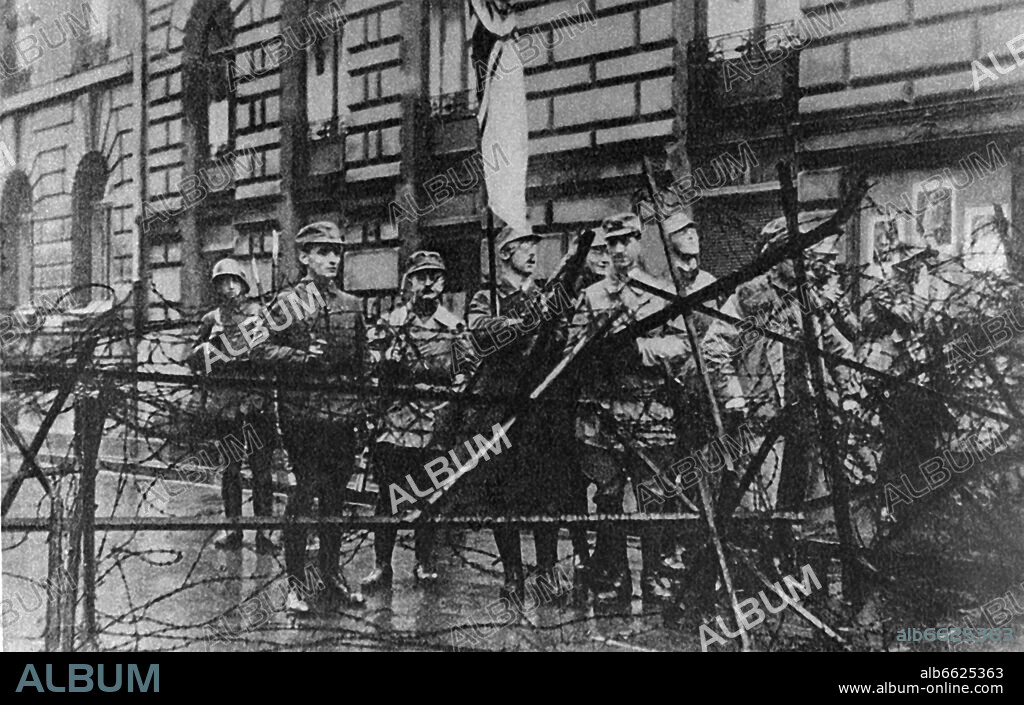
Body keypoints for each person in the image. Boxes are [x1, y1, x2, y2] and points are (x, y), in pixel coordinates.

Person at [568, 212, 714, 603]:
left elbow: (684, 347)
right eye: (611, 242)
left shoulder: (663, 294)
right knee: (608, 494)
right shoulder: (592, 296)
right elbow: (570, 351)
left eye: (626, 241)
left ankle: (652, 573)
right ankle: (615, 576)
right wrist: (594, 356)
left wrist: (639, 350)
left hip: (651, 412)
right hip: (602, 414)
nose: (618, 250)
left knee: (653, 493)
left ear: (639, 242)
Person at [255, 221, 366, 613]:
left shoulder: (351, 305)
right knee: (305, 496)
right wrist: (302, 360)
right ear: (304, 256)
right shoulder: (286, 304)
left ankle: (332, 573)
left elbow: (361, 365)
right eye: (322, 251)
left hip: (341, 418)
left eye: (336, 251)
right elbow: (261, 351)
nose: (332, 258)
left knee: (336, 498)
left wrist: (362, 413)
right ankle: (296, 583)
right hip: (302, 417)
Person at [462, 224, 573, 602]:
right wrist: (522, 325)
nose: (531, 251)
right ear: (505, 253)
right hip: (499, 407)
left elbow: (561, 336)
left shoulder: (545, 295)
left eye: (533, 245)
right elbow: (480, 332)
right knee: (500, 491)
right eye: (523, 245)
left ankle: (545, 571)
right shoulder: (486, 298)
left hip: (539, 409)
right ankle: (512, 571)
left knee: (545, 490)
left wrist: (550, 328)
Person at [362, 251, 467, 590]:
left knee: (430, 497)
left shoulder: (454, 327)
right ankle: (382, 565)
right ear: (408, 283)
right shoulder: (390, 323)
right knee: (389, 497)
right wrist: (386, 365)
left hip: (435, 424)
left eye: (435, 277)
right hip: (397, 423)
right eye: (421, 277)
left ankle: (424, 562)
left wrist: (457, 389)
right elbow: (371, 369)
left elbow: (469, 371)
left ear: (443, 283)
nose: (428, 284)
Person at [188, 257, 277, 555]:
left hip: (256, 403)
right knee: (230, 471)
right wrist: (210, 353)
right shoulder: (211, 320)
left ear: (242, 283)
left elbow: (270, 352)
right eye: (222, 282)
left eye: (233, 281)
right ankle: (233, 529)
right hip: (226, 405)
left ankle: (265, 531)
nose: (228, 287)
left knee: (263, 472)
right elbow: (194, 358)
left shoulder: (259, 313)